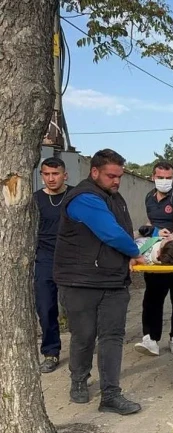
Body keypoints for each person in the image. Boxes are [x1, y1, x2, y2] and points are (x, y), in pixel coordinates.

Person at [54, 149, 146, 415]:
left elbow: (122, 232)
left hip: (113, 281)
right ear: (94, 172)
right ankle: (79, 379)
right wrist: (136, 253)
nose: (116, 181)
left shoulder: (115, 197)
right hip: (81, 281)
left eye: (119, 176)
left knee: (112, 337)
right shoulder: (84, 197)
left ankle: (111, 395)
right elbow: (111, 233)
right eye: (111, 176)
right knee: (84, 336)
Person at [135, 162, 173, 357]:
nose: (164, 181)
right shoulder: (150, 197)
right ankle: (150, 339)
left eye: (168, 177)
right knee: (152, 298)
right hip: (157, 255)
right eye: (160, 177)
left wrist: (168, 245)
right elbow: (151, 222)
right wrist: (149, 237)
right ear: (153, 177)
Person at [33, 157, 72, 373]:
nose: (51, 178)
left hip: (72, 258)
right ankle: (50, 352)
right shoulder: (35, 199)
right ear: (41, 176)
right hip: (45, 258)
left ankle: (82, 345)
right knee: (46, 307)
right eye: (46, 174)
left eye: (55, 174)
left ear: (65, 175)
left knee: (77, 307)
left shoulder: (75, 196)